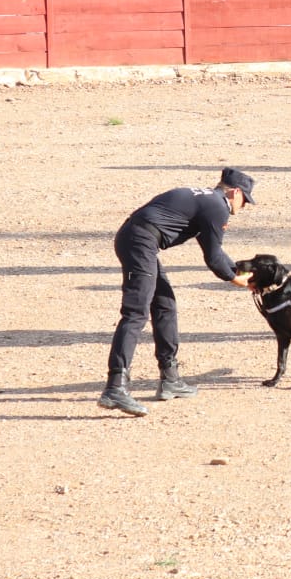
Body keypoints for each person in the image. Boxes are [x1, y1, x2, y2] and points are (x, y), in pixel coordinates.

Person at [99, 168, 256, 416]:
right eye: (245, 200)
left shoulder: (206, 199)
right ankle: (115, 387)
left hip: (136, 240)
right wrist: (236, 279)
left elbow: (213, 250)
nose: (244, 206)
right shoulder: (218, 206)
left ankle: (170, 378)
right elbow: (214, 258)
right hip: (139, 244)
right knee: (135, 313)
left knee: (164, 304)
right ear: (235, 192)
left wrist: (237, 270)